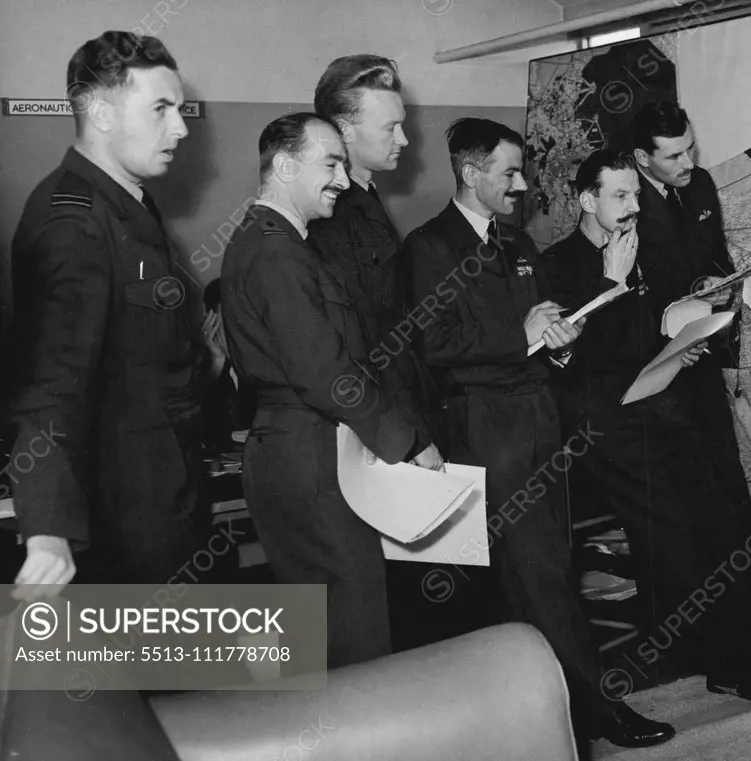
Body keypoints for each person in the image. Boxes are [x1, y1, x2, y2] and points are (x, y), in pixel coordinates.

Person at [407, 117, 675, 748]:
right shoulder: (428, 248)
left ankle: (535, 718)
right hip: (486, 430)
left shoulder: (521, 246)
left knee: (540, 571)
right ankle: (596, 711)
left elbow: (547, 344)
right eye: (508, 173)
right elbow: (432, 343)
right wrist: (522, 336)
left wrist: (558, 342)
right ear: (471, 175)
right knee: (541, 580)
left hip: (540, 422)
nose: (522, 184)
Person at [539, 149, 751, 703]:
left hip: (659, 405)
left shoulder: (644, 254)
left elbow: (652, 331)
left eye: (636, 195)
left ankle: (716, 649)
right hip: (605, 427)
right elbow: (574, 360)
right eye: (620, 196)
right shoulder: (559, 265)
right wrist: (608, 282)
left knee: (714, 522)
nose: (634, 206)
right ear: (587, 200)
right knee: (676, 537)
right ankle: (730, 661)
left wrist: (678, 345)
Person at [220, 112, 433, 668]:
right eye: (330, 162)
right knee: (354, 621)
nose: (342, 177)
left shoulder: (280, 243)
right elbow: (324, 372)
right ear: (286, 166)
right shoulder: (276, 252)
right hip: (309, 452)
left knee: (331, 628)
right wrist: (406, 442)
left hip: (299, 446)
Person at [5, 31, 209, 596]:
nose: (182, 128)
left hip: (168, 496)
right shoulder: (73, 223)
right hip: (127, 528)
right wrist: (46, 527)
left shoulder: (128, 203)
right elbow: (49, 385)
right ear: (98, 111)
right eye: (161, 109)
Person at [630, 101, 751, 646]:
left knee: (733, 494)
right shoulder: (626, 200)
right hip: (660, 373)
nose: (688, 161)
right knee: (692, 506)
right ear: (642, 158)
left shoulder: (697, 187)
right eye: (673, 156)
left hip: (705, 357)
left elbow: (713, 255)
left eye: (689, 147)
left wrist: (728, 283)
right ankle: (711, 628)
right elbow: (627, 296)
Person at [309, 54, 441, 467]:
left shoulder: (363, 196)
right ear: (344, 131)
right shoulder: (334, 214)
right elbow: (363, 343)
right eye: (391, 127)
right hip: (378, 427)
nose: (403, 139)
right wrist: (407, 437)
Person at [199, 278, 256, 451]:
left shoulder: (261, 363)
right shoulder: (201, 366)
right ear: (211, 322)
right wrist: (217, 360)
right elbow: (204, 429)